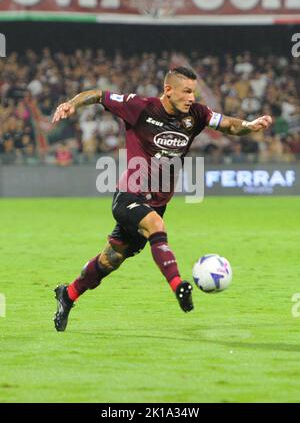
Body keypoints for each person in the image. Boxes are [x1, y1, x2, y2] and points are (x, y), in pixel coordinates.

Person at [52, 66, 272, 331]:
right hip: (129, 195)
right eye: (187, 91)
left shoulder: (197, 115)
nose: (192, 97)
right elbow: (98, 95)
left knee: (110, 259)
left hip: (157, 203)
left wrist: (249, 125)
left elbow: (229, 125)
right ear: (169, 90)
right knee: (156, 227)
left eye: (194, 92)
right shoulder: (140, 107)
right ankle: (179, 287)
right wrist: (71, 103)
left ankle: (68, 294)